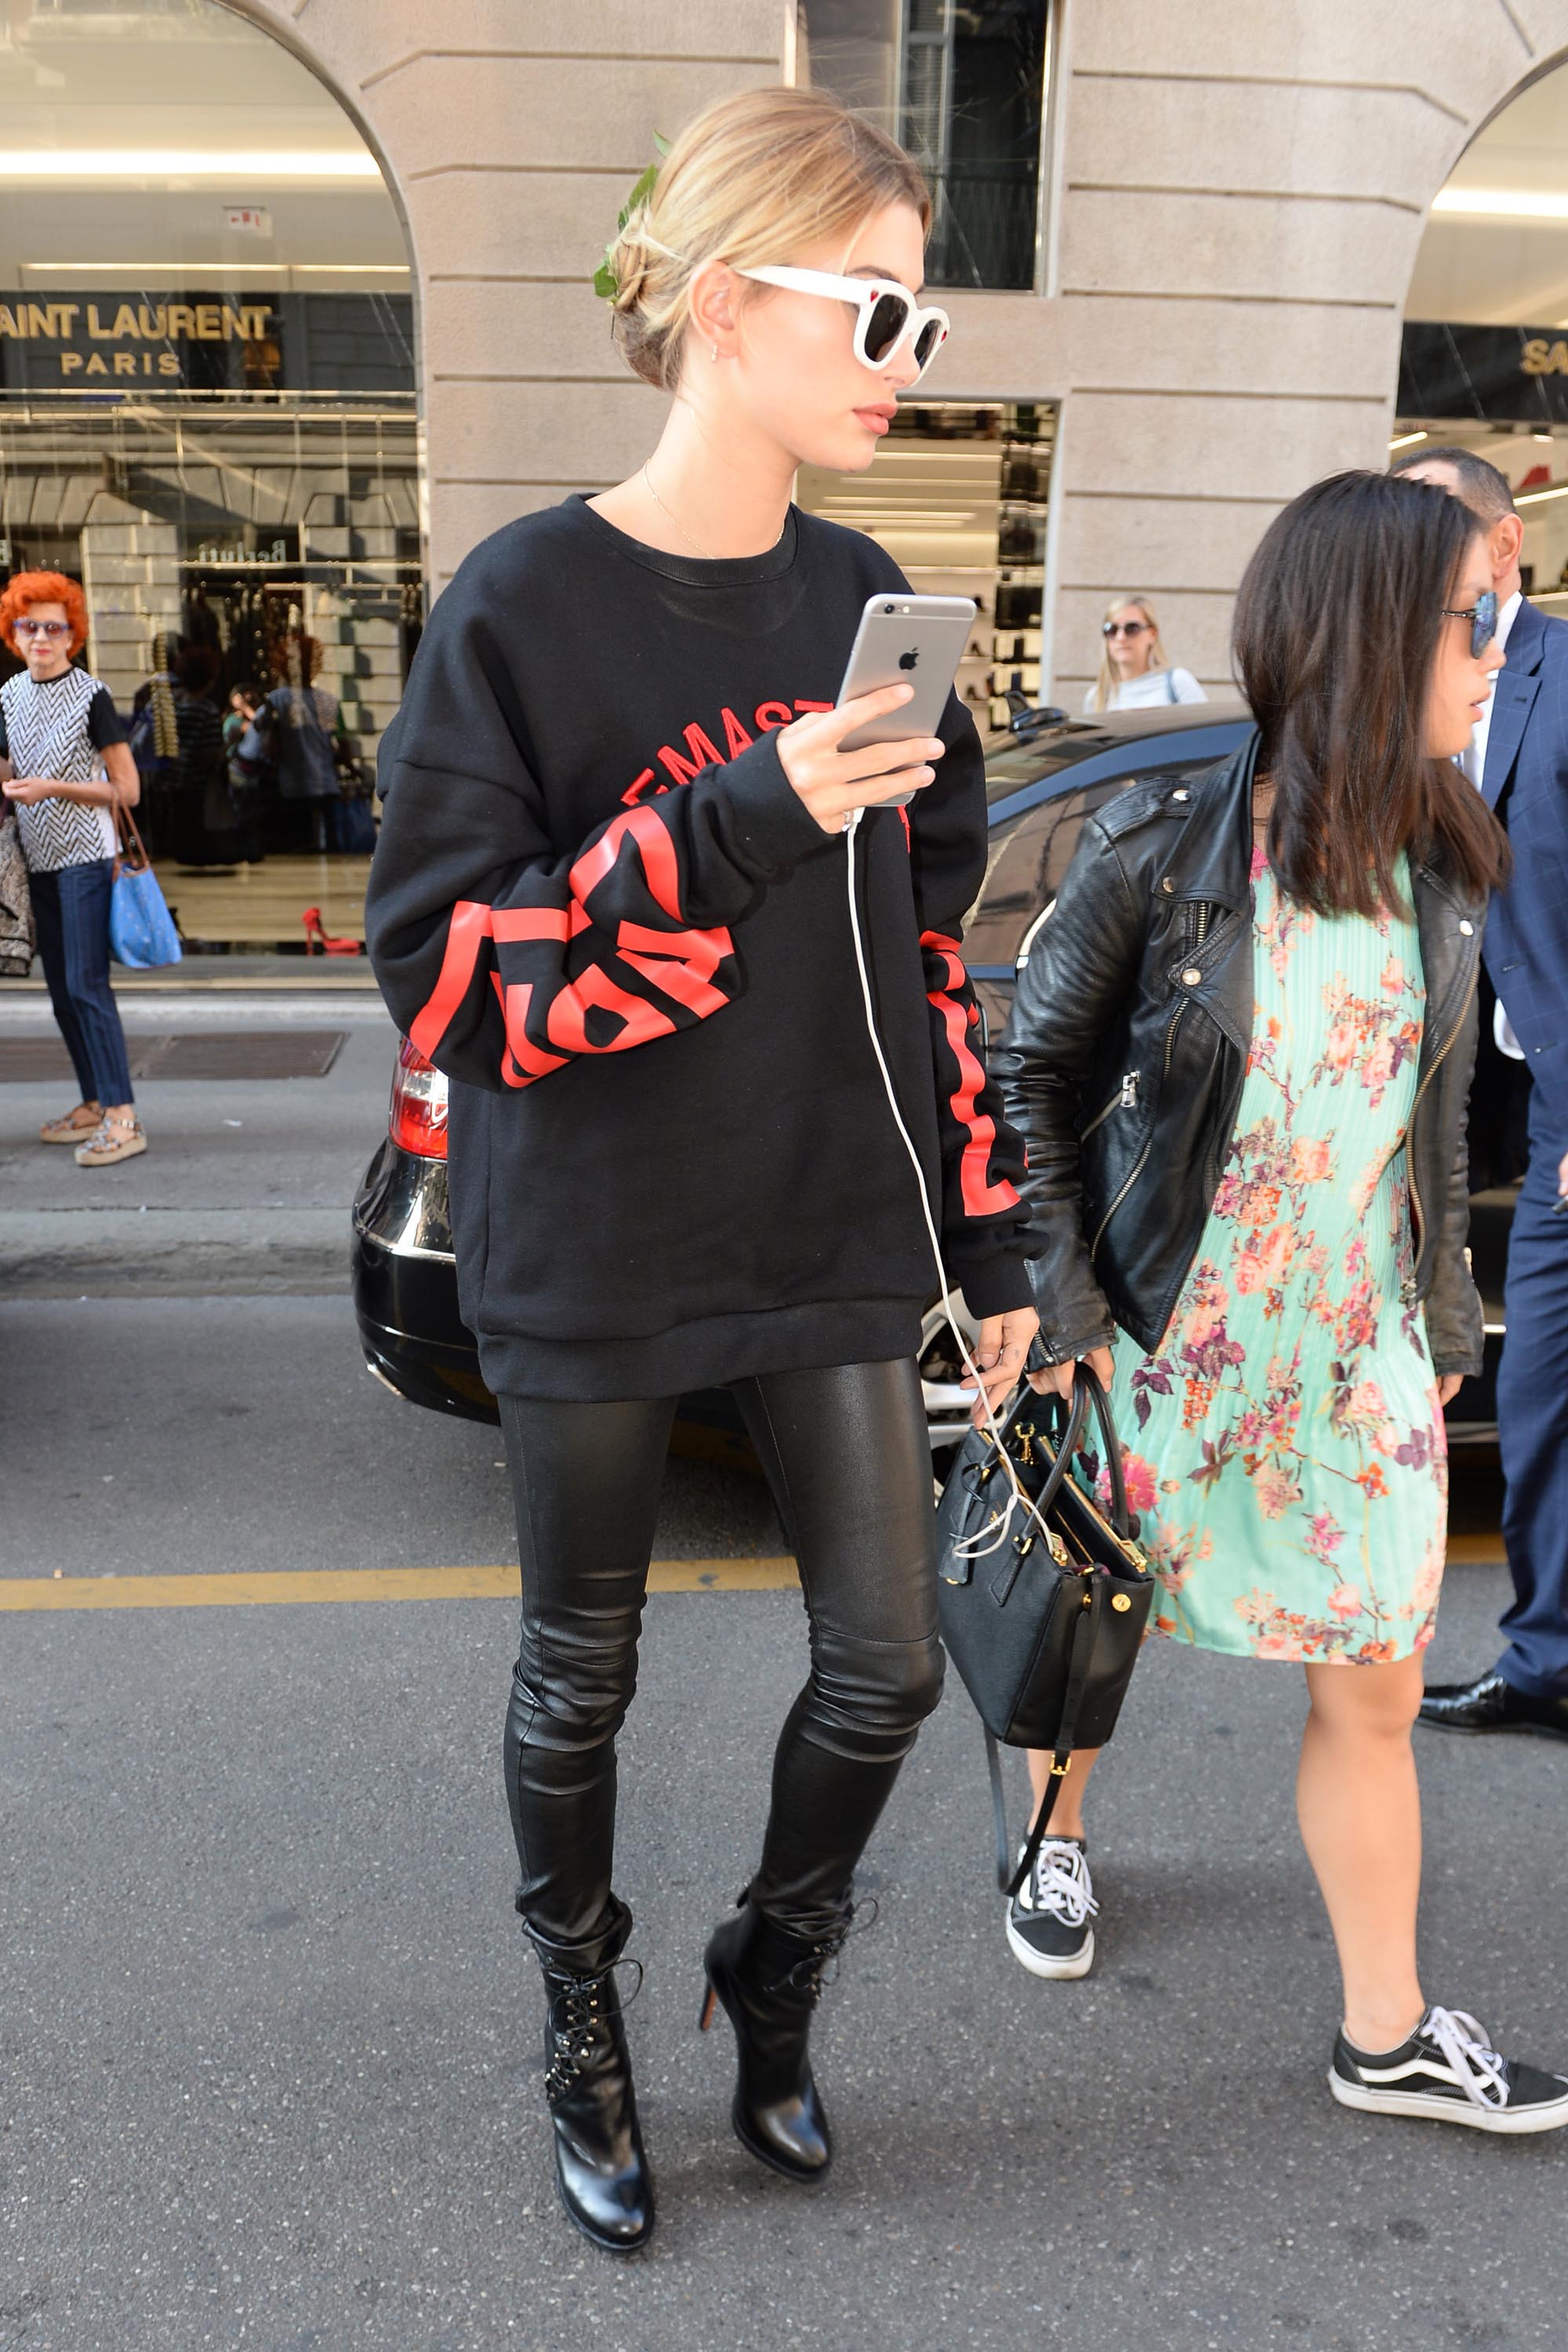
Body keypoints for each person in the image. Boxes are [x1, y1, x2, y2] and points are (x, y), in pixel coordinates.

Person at [364, 86, 1040, 2252]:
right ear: (731, 303)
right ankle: (587, 2024)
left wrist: (991, 1220)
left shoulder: (871, 599)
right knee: (584, 1667)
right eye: (877, 310)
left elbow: (923, 958)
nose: (904, 361)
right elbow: (460, 986)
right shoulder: (525, 601)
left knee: (892, 1666)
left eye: (919, 322)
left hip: (826, 1226)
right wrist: (745, 812)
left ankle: (772, 1966)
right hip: (596, 1236)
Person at [995, 470, 1568, 2131]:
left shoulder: (1442, 859)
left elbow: (1437, 1109)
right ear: (1378, 633)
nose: (1496, 648)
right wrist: (1070, 1305)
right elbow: (1028, 1062)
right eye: (1473, 617)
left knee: (1376, 1681)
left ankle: (1381, 2031)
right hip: (1169, 1331)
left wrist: (1443, 1314)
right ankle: (1054, 1839)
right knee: (1089, 1633)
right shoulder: (1169, 843)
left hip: (1356, 1349)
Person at [1392, 446, 1568, 1746]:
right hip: (1440, 1090)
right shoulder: (1392, 683)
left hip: (1556, 1091)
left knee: (1539, 1383)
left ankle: (1544, 1658)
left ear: (1505, 548)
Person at [0, 571, 147, 1167]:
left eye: (53, 627)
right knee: (61, 991)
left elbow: (128, 790)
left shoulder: (93, 696)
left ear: (72, 634)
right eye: (28, 625)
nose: (40, 637)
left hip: (87, 856)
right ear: (14, 631)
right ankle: (92, 1102)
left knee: (88, 987)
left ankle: (122, 1116)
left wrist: (54, 788)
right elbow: (9, 770)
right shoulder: (8, 695)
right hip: (37, 857)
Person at [253, 633, 341, 851]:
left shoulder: (276, 700)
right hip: (326, 783)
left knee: (296, 848)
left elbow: (260, 729)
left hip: (292, 785)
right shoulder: (328, 702)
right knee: (328, 850)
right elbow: (340, 744)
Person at [1083, 594, 1207, 714]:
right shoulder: (1096, 697)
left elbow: (1205, 734)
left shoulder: (1177, 682)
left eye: (1132, 628)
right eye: (1112, 630)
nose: (1121, 637)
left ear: (1152, 634)